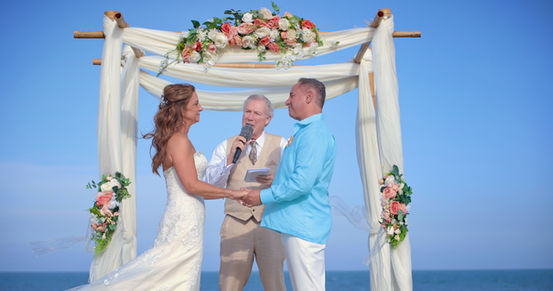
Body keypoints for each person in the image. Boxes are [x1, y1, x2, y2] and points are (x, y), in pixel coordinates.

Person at [70, 84, 247, 290]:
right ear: (182, 108)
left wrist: (229, 170)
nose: (201, 108)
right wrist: (233, 193)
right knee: (170, 274)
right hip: (183, 219)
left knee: (176, 274)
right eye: (196, 104)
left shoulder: (182, 140)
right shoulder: (179, 141)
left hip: (190, 216)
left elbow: (198, 187)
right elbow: (191, 186)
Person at [241, 78, 336, 291]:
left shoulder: (315, 134)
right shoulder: (305, 132)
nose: (287, 101)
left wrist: (260, 197)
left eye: (292, 95)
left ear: (309, 97)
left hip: (303, 226)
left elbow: (301, 184)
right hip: (297, 225)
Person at [205, 95, 287, 291]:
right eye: (247, 111)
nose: (250, 117)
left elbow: (294, 181)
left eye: (256, 113)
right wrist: (229, 158)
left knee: (276, 284)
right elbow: (209, 184)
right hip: (235, 222)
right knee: (228, 285)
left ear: (267, 119)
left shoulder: (282, 144)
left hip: (271, 222)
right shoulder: (226, 145)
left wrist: (277, 179)